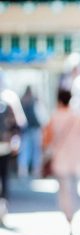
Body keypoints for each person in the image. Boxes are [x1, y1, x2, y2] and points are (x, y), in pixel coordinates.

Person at [43, 89, 80, 235]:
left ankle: (69, 218)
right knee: (77, 189)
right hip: (79, 160)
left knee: (65, 191)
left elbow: (46, 140)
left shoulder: (54, 117)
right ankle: (75, 216)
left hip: (62, 160)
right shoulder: (78, 117)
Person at [0, 71, 26, 225]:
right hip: (5, 145)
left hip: (5, 146)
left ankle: (2, 208)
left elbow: (19, 123)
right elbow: (20, 123)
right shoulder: (10, 98)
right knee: (4, 177)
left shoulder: (10, 98)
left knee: (4, 177)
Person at [18, 86, 45, 178]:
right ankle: (31, 169)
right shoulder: (32, 100)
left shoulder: (23, 100)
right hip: (31, 129)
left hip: (29, 129)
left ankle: (27, 169)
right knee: (32, 150)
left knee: (29, 150)